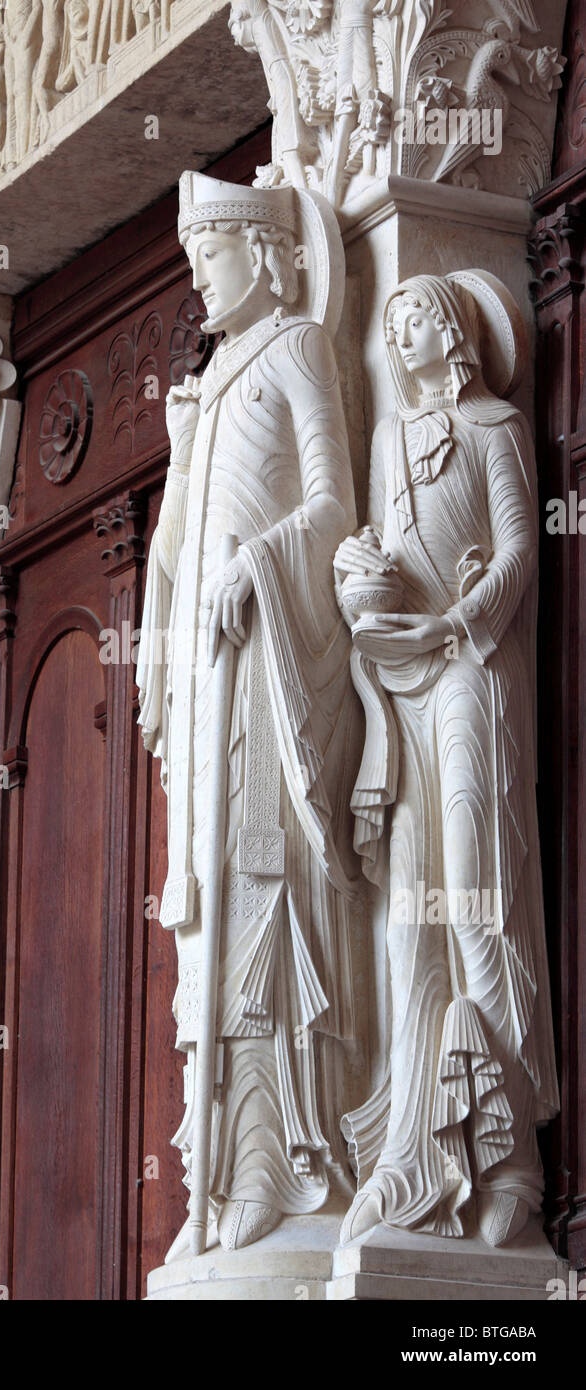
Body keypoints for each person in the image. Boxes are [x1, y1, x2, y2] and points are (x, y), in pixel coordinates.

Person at [138, 171, 362, 1252]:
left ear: (265, 256)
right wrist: (182, 460)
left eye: (210, 258)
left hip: (269, 669)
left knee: (268, 896)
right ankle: (214, 1178)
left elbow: (333, 503)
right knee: (209, 917)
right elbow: (178, 547)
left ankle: (283, 1168)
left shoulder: (298, 348)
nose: (198, 280)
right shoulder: (215, 379)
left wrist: (263, 565)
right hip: (210, 680)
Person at [334, 273, 559, 1247]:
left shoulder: (495, 425)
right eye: (391, 321)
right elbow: (381, 547)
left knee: (474, 896)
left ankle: (510, 1161)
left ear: (456, 329)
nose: (401, 328)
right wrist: (358, 581)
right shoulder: (387, 439)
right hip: (400, 680)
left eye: (415, 313)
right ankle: (417, 1155)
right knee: (404, 920)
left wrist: (456, 620)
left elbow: (516, 551)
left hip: (469, 669)